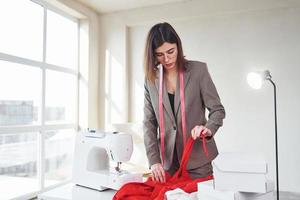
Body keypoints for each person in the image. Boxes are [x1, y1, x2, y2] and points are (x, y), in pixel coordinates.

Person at [143, 22, 225, 183]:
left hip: (198, 161)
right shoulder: (150, 80)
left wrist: (207, 129)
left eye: (170, 51)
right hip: (168, 164)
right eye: (159, 54)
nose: (166, 59)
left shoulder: (198, 71)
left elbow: (218, 110)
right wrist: (154, 161)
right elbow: (149, 123)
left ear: (178, 46)